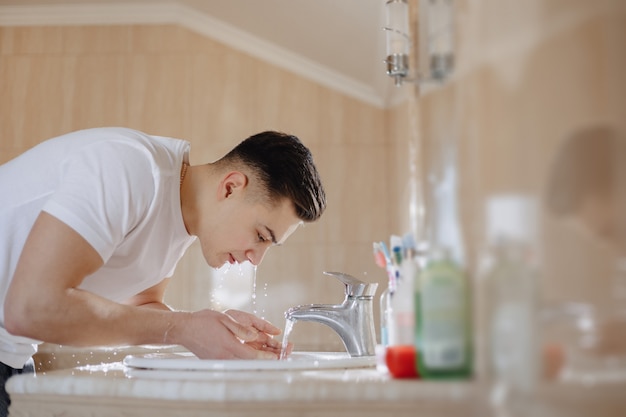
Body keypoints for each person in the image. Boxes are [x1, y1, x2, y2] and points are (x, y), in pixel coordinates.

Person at [0, 127, 326, 414]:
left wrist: (213, 330)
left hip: (12, 358)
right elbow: (29, 309)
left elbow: (141, 307)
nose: (256, 258)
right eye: (260, 236)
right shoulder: (129, 169)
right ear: (230, 187)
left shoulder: (179, 220)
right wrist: (183, 328)